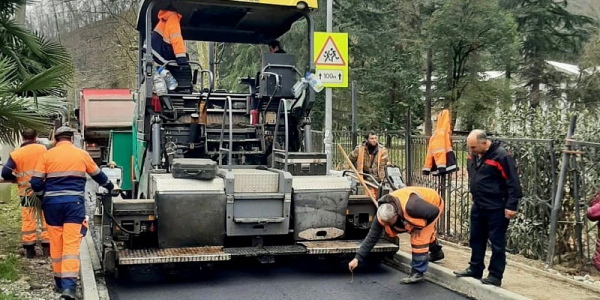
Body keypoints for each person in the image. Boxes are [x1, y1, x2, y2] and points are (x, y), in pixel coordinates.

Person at [30, 126, 114, 300]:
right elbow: (98, 175)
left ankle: (59, 283)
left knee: (56, 243)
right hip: (73, 205)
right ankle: (69, 289)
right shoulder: (81, 154)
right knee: (70, 245)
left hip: (51, 205)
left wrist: (44, 193)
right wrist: (110, 186)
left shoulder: (46, 156)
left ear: (56, 138)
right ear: (71, 138)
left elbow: (36, 184)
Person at [454, 130, 522, 287]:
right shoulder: (473, 155)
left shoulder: (501, 156)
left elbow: (513, 182)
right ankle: (475, 268)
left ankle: (495, 275)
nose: (470, 150)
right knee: (476, 238)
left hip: (497, 206)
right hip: (479, 204)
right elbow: (473, 175)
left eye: (473, 147)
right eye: (469, 147)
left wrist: (511, 205)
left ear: (484, 143)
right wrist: (474, 192)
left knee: (496, 242)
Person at [348, 186, 445, 284]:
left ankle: (417, 273)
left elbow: (434, 212)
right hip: (416, 207)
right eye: (384, 223)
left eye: (388, 222)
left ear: (395, 215)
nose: (386, 225)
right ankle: (437, 252)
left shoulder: (412, 207)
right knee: (416, 229)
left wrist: (419, 227)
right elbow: (372, 236)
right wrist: (357, 258)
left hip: (432, 203)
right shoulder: (382, 214)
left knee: (418, 237)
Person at [1, 129, 50, 258]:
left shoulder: (16, 154)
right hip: (44, 190)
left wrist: (16, 178)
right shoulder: (44, 150)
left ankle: (29, 250)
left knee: (28, 218)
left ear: (22, 138)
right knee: (46, 217)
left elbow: (5, 173)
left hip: (26, 191)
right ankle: (47, 249)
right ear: (35, 137)